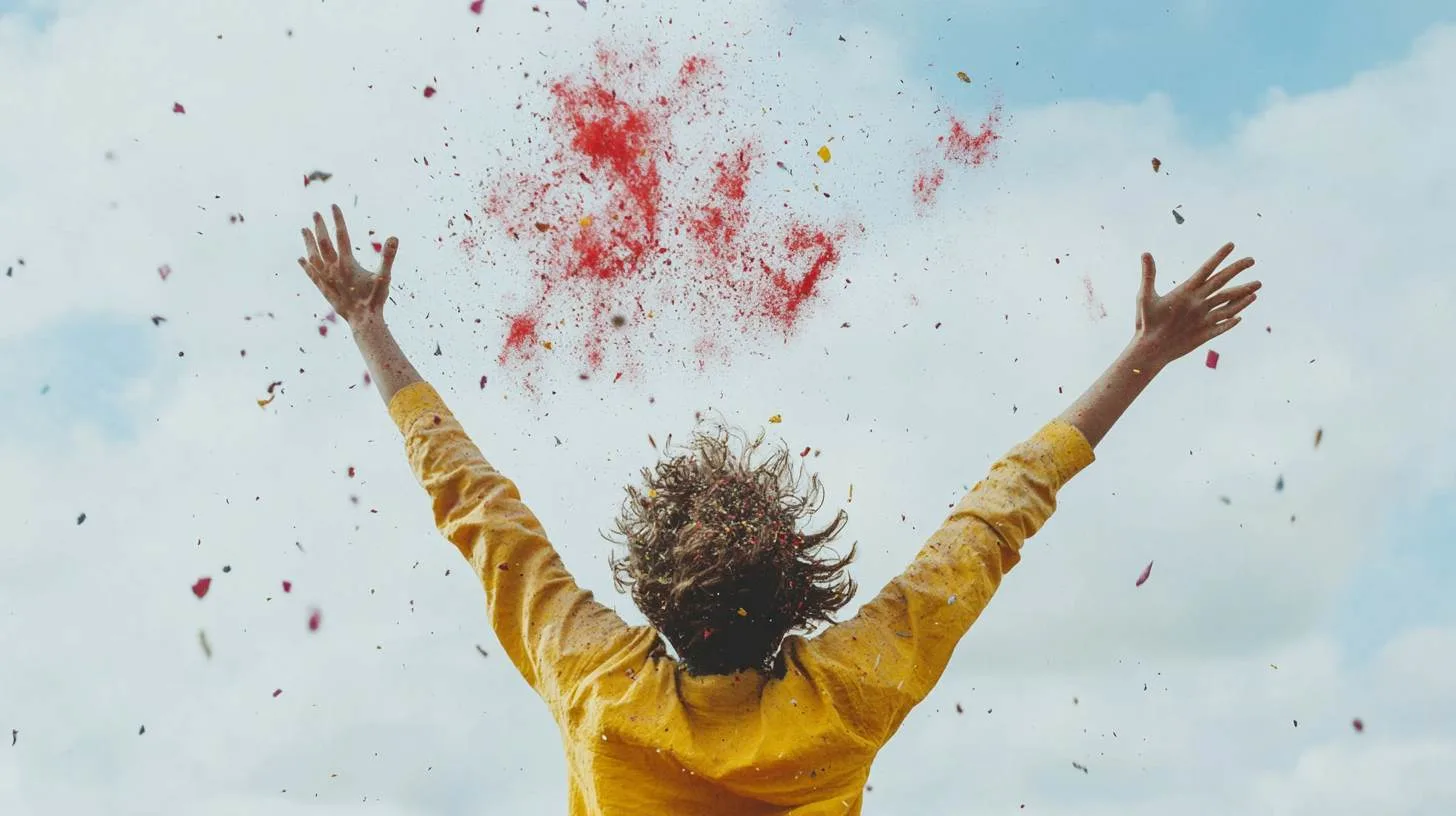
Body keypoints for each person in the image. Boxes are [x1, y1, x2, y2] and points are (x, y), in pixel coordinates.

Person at [297, 205, 1260, 815]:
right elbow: (993, 521)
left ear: (649, 590)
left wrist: (368, 325)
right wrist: (1144, 356)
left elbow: (476, 507)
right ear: (801, 587)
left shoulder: (596, 684)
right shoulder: (847, 696)